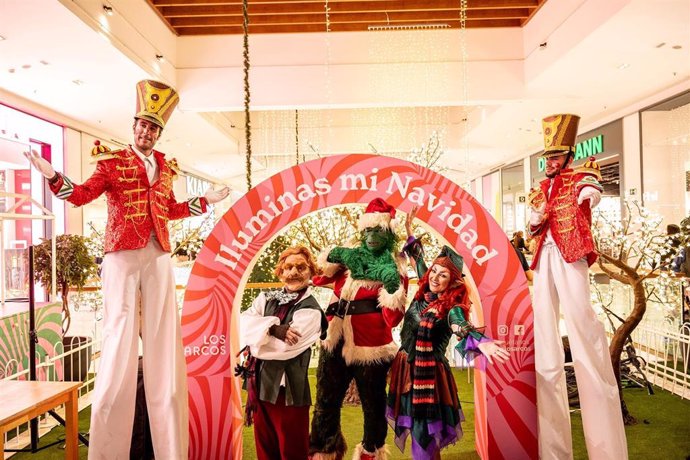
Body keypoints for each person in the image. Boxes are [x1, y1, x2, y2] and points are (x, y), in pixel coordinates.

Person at [24, 80, 230, 460]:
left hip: (158, 253)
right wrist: (51, 174)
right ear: (133, 124)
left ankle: (169, 448)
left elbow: (170, 210)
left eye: (153, 127)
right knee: (118, 334)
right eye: (142, 124)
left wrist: (205, 201)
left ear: (159, 132)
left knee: (163, 339)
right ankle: (108, 448)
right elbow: (82, 194)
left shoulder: (167, 166)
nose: (146, 132)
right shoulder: (113, 162)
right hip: (120, 252)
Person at [528, 113, 628, 459]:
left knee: (583, 329)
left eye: (555, 156)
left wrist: (587, 195)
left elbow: (593, 191)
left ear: (568, 155)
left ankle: (607, 449)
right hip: (544, 258)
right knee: (544, 339)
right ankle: (553, 451)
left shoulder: (581, 174)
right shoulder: (541, 188)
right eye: (548, 157)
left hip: (571, 255)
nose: (550, 162)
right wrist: (538, 215)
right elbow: (533, 224)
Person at [386, 207, 509, 460]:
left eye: (443, 275)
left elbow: (459, 324)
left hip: (429, 375)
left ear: (452, 282)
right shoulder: (425, 289)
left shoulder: (450, 307)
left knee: (423, 431)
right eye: (434, 271)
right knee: (416, 427)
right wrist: (410, 233)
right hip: (406, 368)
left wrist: (479, 341)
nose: (435, 277)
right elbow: (418, 260)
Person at [309, 198, 408, 460]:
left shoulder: (394, 266)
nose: (372, 237)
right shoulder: (350, 261)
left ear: (389, 234)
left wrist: (392, 288)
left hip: (370, 346)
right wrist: (331, 257)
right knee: (325, 401)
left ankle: (370, 452)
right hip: (335, 338)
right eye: (368, 231)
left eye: (378, 231)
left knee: (373, 404)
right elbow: (319, 276)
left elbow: (393, 317)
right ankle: (324, 451)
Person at [238, 246, 327, 460]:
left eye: (301, 267)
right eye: (288, 267)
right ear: (280, 272)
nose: (293, 272)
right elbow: (242, 324)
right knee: (265, 449)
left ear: (311, 272)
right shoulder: (265, 297)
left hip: (289, 391)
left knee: (292, 451)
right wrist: (273, 328)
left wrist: (257, 338)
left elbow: (283, 349)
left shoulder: (311, 310)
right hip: (259, 384)